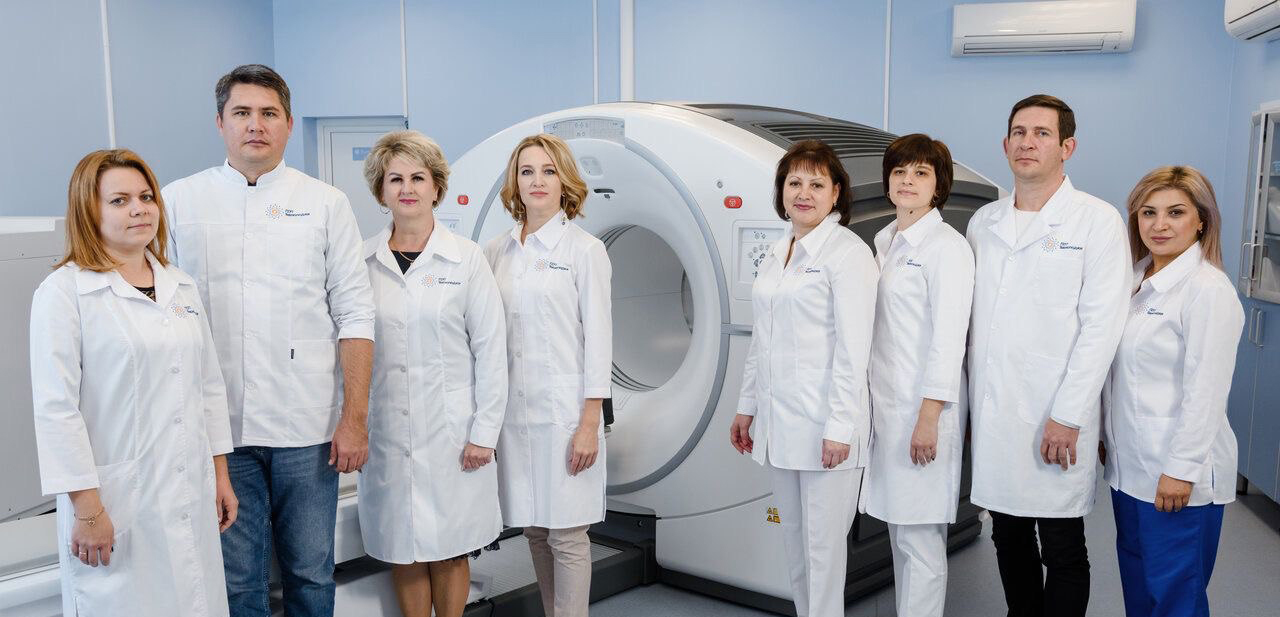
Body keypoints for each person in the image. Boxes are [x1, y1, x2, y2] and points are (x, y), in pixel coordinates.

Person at [163, 64, 376, 617]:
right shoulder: (178, 202)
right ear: (220, 123)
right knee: (238, 582)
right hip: (220, 433)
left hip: (306, 427)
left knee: (311, 573)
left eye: (268, 113)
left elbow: (355, 315)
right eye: (242, 113)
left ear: (287, 124)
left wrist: (354, 418)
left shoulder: (326, 203)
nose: (255, 125)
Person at [31, 149, 237, 617]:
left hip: (190, 488)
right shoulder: (64, 293)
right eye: (119, 200)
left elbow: (207, 387)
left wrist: (220, 475)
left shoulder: (180, 285)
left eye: (146, 197)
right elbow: (56, 410)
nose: (140, 209)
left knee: (196, 599)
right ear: (89, 210)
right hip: (116, 501)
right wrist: (87, 508)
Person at [966, 94, 1130, 617]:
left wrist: (1069, 414)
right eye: (1019, 132)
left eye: (1041, 133)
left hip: (1056, 411)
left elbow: (1102, 327)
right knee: (1007, 536)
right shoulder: (984, 223)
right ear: (1005, 144)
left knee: (1062, 545)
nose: (1027, 142)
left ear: (1067, 147)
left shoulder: (1096, 221)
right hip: (996, 412)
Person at [357, 130, 507, 617]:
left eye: (418, 178)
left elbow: (491, 350)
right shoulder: (360, 262)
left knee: (449, 547)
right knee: (402, 548)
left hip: (453, 433)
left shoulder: (467, 259)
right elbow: (349, 350)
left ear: (437, 187)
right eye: (395, 179)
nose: (407, 188)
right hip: (387, 431)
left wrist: (484, 433)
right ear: (381, 190)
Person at [730, 139, 879, 617]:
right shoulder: (779, 251)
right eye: (794, 182)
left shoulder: (847, 254)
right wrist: (747, 406)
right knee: (796, 549)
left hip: (825, 426)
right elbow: (762, 339)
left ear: (836, 194)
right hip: (780, 424)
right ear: (781, 191)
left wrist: (840, 427)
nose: (804, 193)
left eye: (817, 184)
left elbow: (854, 350)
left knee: (823, 556)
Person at [1102, 166, 1243, 617]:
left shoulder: (1207, 289)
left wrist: (1181, 470)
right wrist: (1106, 436)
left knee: (1175, 598)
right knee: (1140, 590)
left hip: (1177, 474)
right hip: (1129, 471)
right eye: (1149, 213)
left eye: (1175, 212)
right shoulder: (1133, 279)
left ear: (1201, 220)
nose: (1159, 225)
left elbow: (1207, 392)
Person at [484, 133, 611, 617]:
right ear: (515, 183)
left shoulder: (585, 250)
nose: (537, 180)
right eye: (527, 171)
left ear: (565, 181)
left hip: (566, 416)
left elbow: (599, 340)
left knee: (568, 535)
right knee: (535, 530)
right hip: (513, 417)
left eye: (548, 170)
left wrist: (589, 422)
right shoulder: (495, 252)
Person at [863, 134, 974, 617]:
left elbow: (950, 340)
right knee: (900, 531)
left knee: (921, 541)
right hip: (888, 408)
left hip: (923, 411)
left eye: (921, 173)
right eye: (900, 171)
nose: (908, 180)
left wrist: (929, 417)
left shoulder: (947, 248)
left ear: (938, 185)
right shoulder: (886, 240)